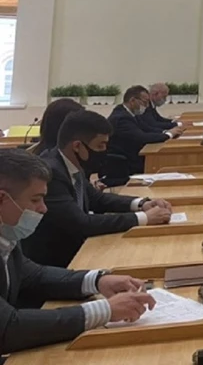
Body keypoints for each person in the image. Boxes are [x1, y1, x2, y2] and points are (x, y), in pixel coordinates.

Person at [0, 150, 157, 354]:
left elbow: (33, 275)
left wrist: (98, 280)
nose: (43, 209)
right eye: (35, 200)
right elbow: (8, 329)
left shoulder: (6, 232)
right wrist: (104, 310)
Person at [22, 111, 174, 269]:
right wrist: (144, 218)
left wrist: (142, 203)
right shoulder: (52, 172)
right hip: (58, 262)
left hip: (77, 249)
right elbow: (81, 223)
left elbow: (97, 199)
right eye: (100, 145)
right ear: (77, 146)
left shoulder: (69, 162)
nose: (105, 151)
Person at [106, 86, 183, 176]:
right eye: (145, 102)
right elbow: (142, 137)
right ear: (132, 100)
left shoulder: (131, 113)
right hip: (126, 162)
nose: (147, 106)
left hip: (134, 155)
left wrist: (168, 132)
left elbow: (147, 128)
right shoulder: (122, 118)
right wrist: (169, 134)